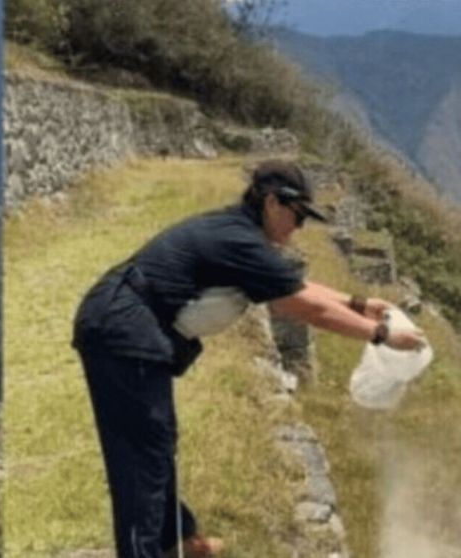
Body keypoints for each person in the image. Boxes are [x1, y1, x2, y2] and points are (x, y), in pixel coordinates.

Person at [71, 160, 426, 558]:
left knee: (157, 439)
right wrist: (381, 335)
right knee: (141, 454)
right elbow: (304, 306)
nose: (299, 226)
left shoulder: (243, 237)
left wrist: (358, 303)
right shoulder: (239, 240)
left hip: (127, 324)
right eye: (297, 215)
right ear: (272, 203)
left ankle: (177, 541)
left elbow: (293, 285)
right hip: (122, 330)